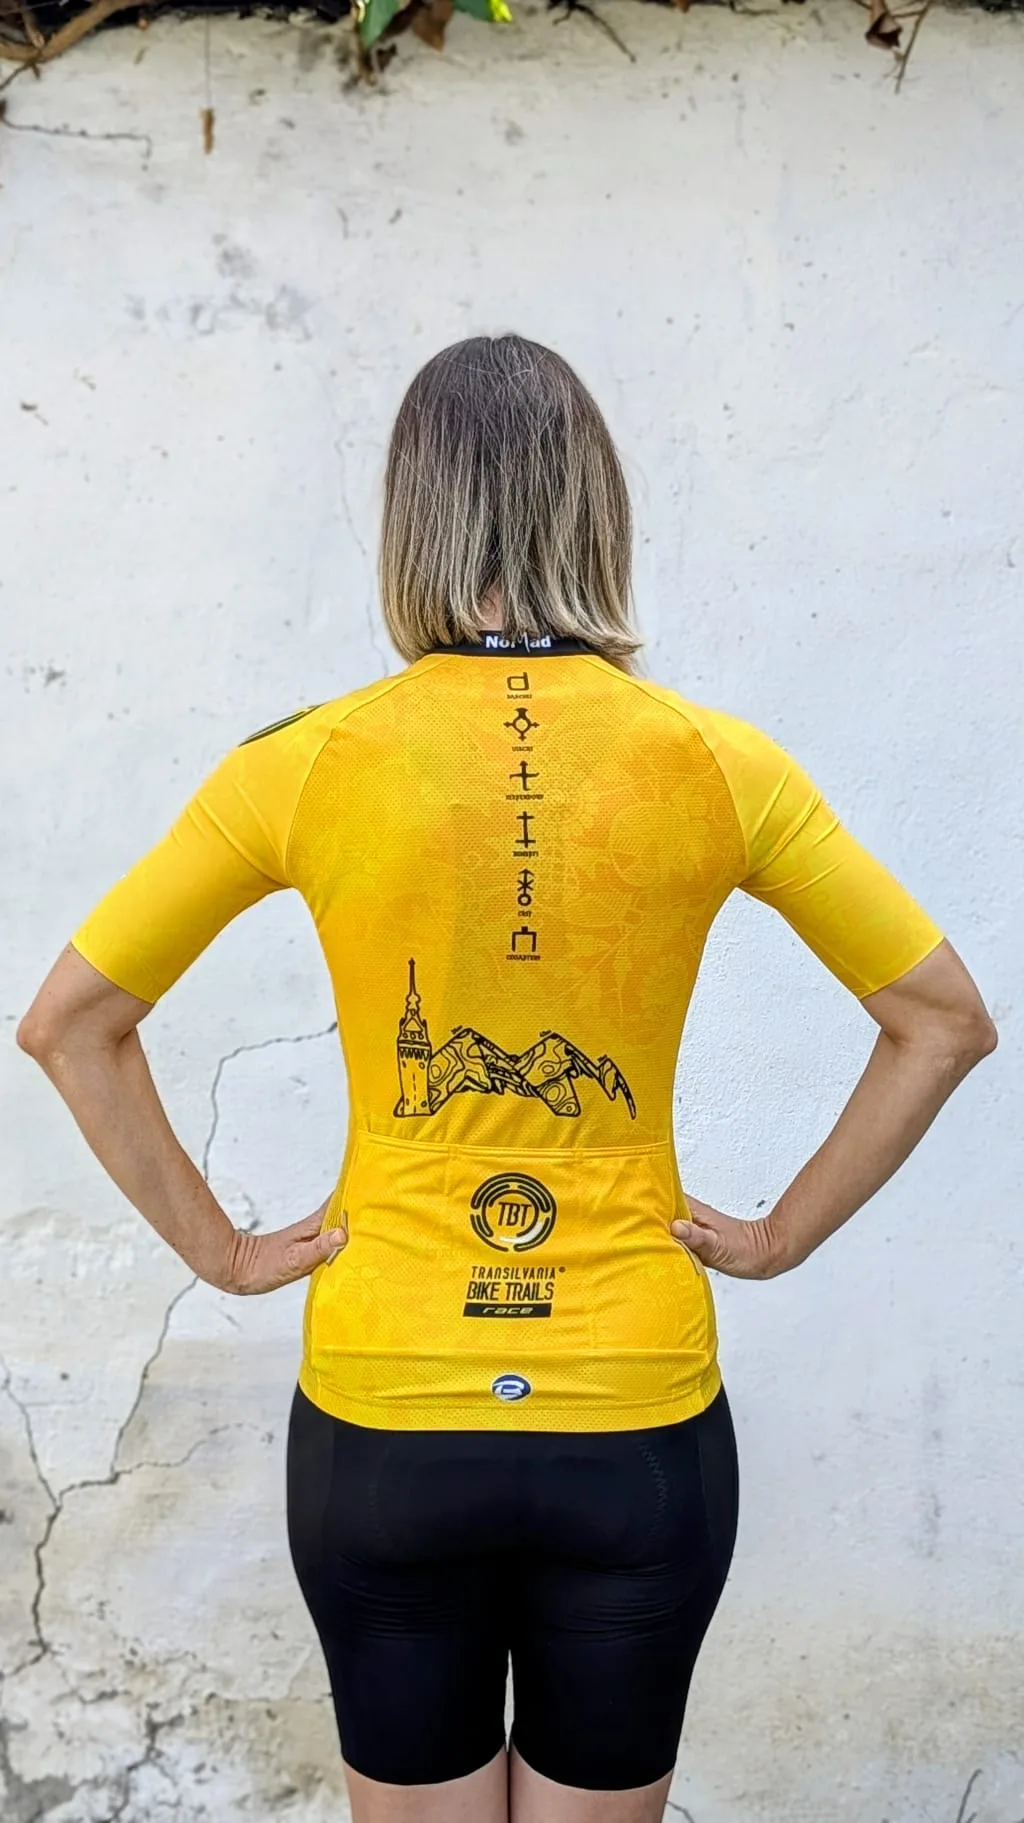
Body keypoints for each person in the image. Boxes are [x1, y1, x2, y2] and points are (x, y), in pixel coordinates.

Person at [18, 334, 996, 1823]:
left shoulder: (306, 760)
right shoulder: (717, 760)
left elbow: (69, 1024)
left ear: (410, 518)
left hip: (386, 1413)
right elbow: (943, 1019)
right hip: (635, 1416)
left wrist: (224, 1254)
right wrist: (776, 1237)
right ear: (597, 508)